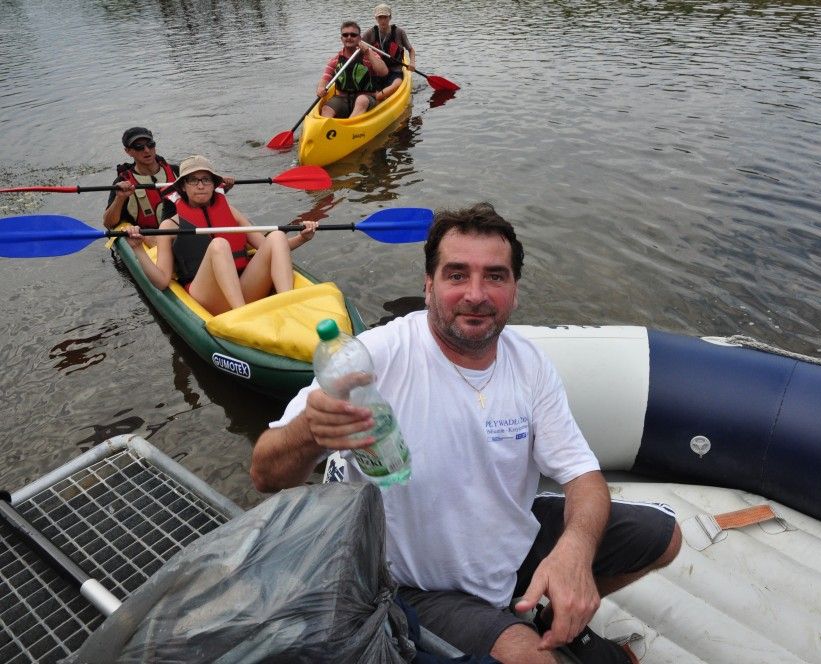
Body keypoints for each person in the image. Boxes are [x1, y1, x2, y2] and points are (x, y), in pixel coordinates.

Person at [250, 203, 681, 663]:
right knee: (531, 659)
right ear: (428, 284)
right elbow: (264, 472)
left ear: (514, 291)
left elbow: (582, 475)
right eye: (457, 275)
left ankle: (548, 611)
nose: (476, 294)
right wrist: (308, 434)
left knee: (666, 537)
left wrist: (574, 551)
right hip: (419, 584)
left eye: (495, 276)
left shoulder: (529, 365)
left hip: (507, 550)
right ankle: (515, 630)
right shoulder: (374, 358)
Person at [126, 155, 317, 316]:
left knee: (276, 236)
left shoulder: (231, 212)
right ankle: (243, 317)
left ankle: (289, 304)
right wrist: (137, 249)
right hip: (208, 298)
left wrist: (302, 238)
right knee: (219, 245)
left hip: (243, 288)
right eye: (193, 180)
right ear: (183, 187)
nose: (200, 185)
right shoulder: (170, 225)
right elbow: (161, 282)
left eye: (206, 180)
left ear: (213, 185)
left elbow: (271, 248)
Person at [104, 127, 234, 246]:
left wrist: (223, 187)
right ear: (128, 151)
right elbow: (109, 223)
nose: (146, 150)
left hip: (184, 230)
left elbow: (202, 195)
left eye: (150, 144)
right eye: (139, 147)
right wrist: (120, 198)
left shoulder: (178, 173)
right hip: (149, 237)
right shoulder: (123, 182)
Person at [316, 21, 389, 119]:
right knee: (326, 109)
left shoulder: (369, 55)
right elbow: (325, 78)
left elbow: (384, 72)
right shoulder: (336, 59)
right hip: (343, 98)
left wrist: (368, 53)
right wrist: (320, 88)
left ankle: (349, 127)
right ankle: (327, 128)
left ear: (359, 38)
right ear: (341, 38)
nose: (349, 37)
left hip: (367, 98)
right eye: (345, 35)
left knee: (361, 100)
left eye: (353, 35)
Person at [361, 4, 416, 103]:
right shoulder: (370, 33)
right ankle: (378, 96)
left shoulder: (399, 32)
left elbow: (411, 50)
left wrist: (412, 63)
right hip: (378, 71)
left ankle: (378, 96)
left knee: (398, 83)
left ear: (390, 17)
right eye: (380, 17)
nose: (383, 20)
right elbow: (358, 44)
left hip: (395, 70)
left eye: (385, 17)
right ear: (376, 18)